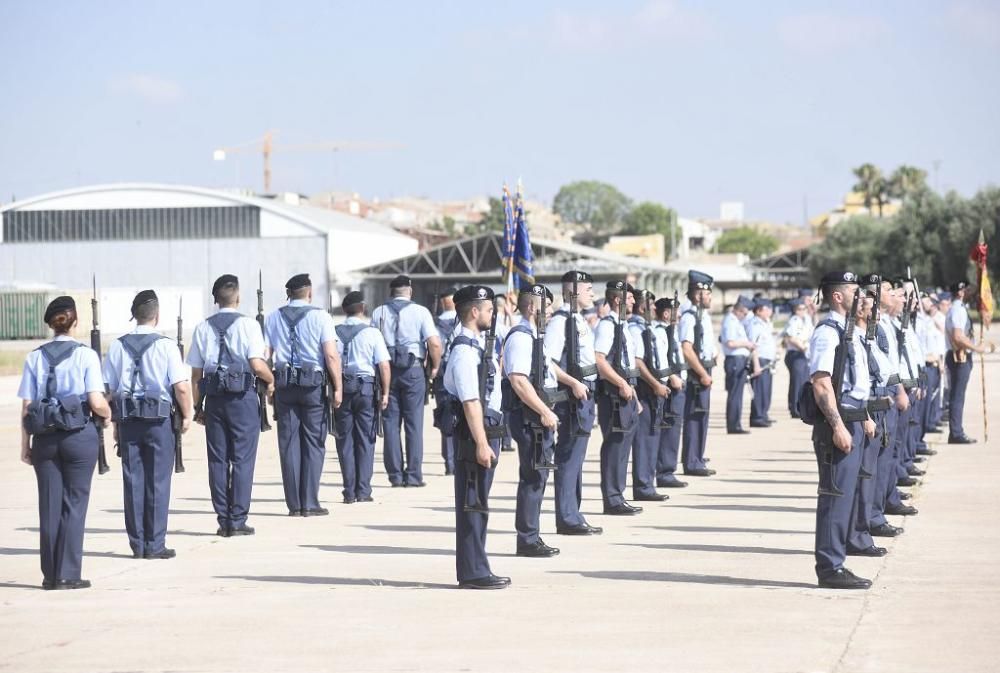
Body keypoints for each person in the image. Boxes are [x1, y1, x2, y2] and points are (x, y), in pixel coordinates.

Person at [19, 296, 112, 589]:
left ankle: (49, 574)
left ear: (51, 324)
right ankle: (68, 573)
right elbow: (96, 401)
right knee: (74, 503)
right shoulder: (86, 355)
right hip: (78, 436)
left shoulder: (34, 357)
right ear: (75, 322)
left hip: (44, 438)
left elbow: (27, 406)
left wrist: (25, 445)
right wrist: (108, 415)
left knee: (48, 505)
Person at [104, 290, 192, 559]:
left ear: (135, 315)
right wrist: (188, 415)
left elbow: (108, 388)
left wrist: (114, 421)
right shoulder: (165, 346)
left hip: (129, 420)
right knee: (158, 481)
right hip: (159, 421)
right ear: (157, 315)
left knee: (133, 481)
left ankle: (138, 544)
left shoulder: (117, 346)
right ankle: (155, 544)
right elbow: (181, 387)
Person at [187, 274, 275, 536]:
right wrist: (271, 381)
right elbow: (257, 364)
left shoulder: (202, 327)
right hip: (242, 398)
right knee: (242, 459)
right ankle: (238, 518)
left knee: (217, 460)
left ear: (215, 300)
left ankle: (223, 518)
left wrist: (197, 407)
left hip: (214, 399)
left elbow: (196, 375)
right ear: (237, 296)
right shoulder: (248, 325)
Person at [807, 271, 876, 589]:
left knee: (845, 495)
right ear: (837, 296)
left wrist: (863, 417)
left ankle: (838, 560)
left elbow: (852, 384)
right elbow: (821, 383)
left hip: (853, 418)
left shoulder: (851, 331)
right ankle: (830, 567)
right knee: (835, 495)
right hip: (838, 424)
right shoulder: (827, 332)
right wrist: (838, 426)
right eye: (852, 290)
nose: (859, 295)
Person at [444, 285, 509, 589]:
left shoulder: (477, 344)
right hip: (475, 434)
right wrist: (482, 443)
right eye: (488, 309)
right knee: (473, 503)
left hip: (485, 429)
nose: (491, 314)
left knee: (479, 503)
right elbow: (471, 401)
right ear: (474, 312)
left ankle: (477, 566)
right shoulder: (463, 351)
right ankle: (473, 571)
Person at [264, 273, 342, 516]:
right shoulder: (321, 316)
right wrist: (338, 386)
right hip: (312, 386)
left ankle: (294, 505)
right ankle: (309, 502)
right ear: (309, 293)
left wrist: (268, 385)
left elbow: (266, 354)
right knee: (314, 443)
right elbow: (330, 355)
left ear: (289, 293)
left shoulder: (273, 317)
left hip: (284, 384)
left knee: (288, 444)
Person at [502, 284, 563, 557]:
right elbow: (518, 380)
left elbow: (548, 370)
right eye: (546, 307)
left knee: (539, 476)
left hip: (537, 415)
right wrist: (545, 411)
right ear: (531, 308)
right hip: (529, 417)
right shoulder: (520, 337)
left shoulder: (536, 336)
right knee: (533, 476)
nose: (549, 312)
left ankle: (532, 535)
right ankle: (527, 538)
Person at [371, 275, 442, 486]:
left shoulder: (378, 312)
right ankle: (413, 476)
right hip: (413, 371)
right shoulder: (421, 312)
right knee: (413, 425)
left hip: (387, 371)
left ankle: (395, 476)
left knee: (391, 424)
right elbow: (434, 344)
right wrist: (435, 367)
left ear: (391, 292)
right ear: (410, 291)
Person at [545, 270, 602, 535]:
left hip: (585, 394)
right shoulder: (560, 322)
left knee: (577, 458)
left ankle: (574, 513)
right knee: (568, 457)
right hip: (572, 396)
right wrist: (573, 383)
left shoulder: (576, 319)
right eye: (587, 287)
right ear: (573, 290)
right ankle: (567, 517)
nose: (592, 292)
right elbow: (549, 362)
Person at [334, 291, 390, 504]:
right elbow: (383, 365)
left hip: (342, 387)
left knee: (345, 441)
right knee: (366, 440)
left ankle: (349, 491)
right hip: (366, 389)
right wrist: (385, 392)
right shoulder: (372, 333)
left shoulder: (334, 331)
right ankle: (363, 490)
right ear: (363, 308)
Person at [594, 280, 643, 515]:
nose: (634, 301)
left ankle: (618, 495)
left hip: (626, 393)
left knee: (624, 447)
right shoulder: (607, 326)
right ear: (617, 299)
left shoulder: (623, 325)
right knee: (615, 446)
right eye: (630, 297)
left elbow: (627, 363)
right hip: (613, 394)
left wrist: (635, 395)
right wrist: (622, 384)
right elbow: (600, 359)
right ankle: (612, 498)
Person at [627, 289, 670, 502]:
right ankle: (643, 486)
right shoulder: (636, 329)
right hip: (646, 388)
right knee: (645, 439)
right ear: (643, 307)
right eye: (652, 305)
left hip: (655, 387)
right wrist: (655, 384)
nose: (655, 309)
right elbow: (638, 361)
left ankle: (648, 483)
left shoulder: (647, 328)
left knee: (653, 436)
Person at [679, 271, 717, 477]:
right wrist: (703, 373)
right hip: (696, 373)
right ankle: (692, 461)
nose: (710, 298)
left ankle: (697, 457)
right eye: (708, 293)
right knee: (695, 417)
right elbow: (687, 348)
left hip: (704, 369)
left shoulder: (702, 316)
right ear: (697, 295)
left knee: (702, 416)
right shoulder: (689, 317)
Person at [945, 279, 987, 444]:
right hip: (959, 356)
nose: (970, 293)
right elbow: (957, 336)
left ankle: (956, 431)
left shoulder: (959, 308)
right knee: (957, 395)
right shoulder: (958, 310)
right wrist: (977, 348)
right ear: (961, 292)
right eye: (968, 290)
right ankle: (956, 433)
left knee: (958, 395)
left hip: (959, 355)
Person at [652, 296, 688, 488]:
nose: (680, 315)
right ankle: (664, 471)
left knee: (674, 429)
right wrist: (672, 376)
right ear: (666, 313)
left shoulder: (672, 331)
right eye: (676, 311)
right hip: (671, 385)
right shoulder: (660, 331)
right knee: (669, 430)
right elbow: (662, 359)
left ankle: (668, 469)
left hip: (679, 384)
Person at [432, 287, 459, 475]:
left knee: (445, 416)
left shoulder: (435, 324)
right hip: (462, 373)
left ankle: (449, 463)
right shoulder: (465, 322)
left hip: (442, 375)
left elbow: (433, 349)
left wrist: (433, 370)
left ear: (442, 303)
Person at [721, 295, 756, 434]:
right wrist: (747, 344)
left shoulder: (736, 321)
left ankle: (736, 423)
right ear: (740, 310)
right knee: (735, 394)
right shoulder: (730, 321)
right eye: (745, 313)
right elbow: (730, 342)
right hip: (734, 360)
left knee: (738, 394)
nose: (745, 316)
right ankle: (733, 425)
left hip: (739, 360)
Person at [748, 298, 777, 427]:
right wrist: (756, 365)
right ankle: (757, 417)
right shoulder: (754, 325)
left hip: (768, 361)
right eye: (767, 309)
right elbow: (753, 346)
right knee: (759, 390)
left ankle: (763, 414)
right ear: (759, 310)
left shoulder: (765, 323)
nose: (770, 311)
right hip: (760, 360)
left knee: (766, 390)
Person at [782, 298, 812, 418]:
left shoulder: (806, 319)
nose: (803, 311)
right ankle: (795, 409)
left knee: (803, 382)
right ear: (795, 310)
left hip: (804, 354)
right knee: (797, 383)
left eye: (804, 308)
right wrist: (804, 349)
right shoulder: (793, 321)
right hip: (796, 354)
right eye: (800, 309)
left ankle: (800, 407)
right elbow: (791, 338)